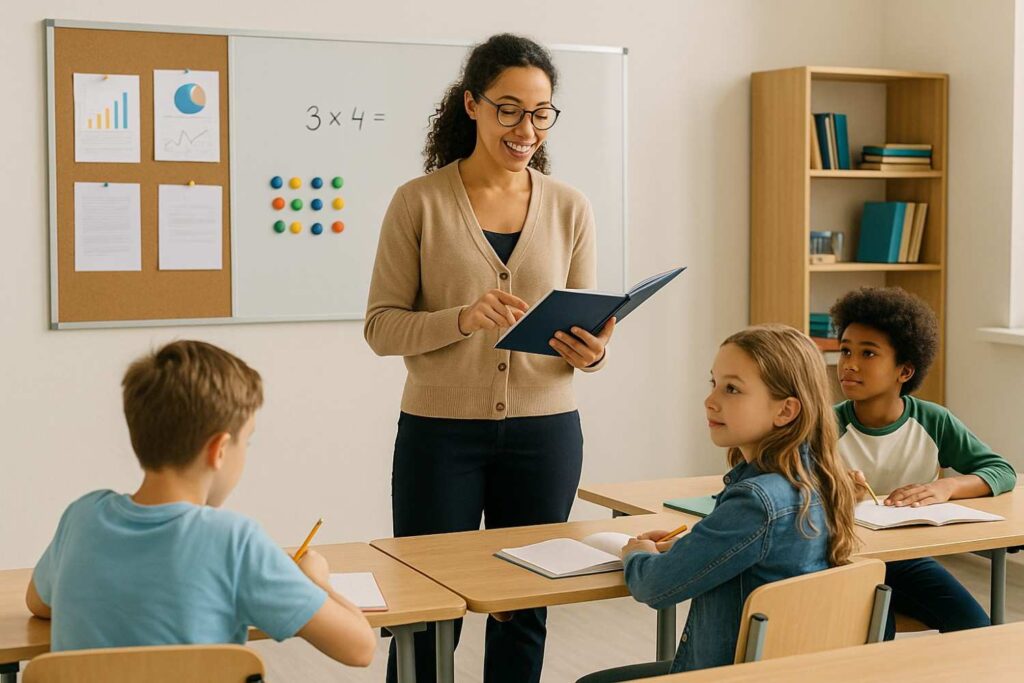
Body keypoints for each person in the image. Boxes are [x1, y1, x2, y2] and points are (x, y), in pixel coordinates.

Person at [364, 33, 613, 683]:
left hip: (546, 432)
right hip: (439, 436)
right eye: (509, 108)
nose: (525, 128)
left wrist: (594, 351)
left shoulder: (570, 206)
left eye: (539, 112)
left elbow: (590, 323)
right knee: (427, 611)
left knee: (525, 606)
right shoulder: (417, 202)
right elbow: (381, 328)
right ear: (472, 104)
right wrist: (462, 318)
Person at [26, 340, 377, 667]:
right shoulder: (235, 542)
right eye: (247, 443)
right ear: (219, 450)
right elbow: (361, 648)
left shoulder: (83, 517)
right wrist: (316, 581)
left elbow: (38, 603)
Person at [579, 324, 858, 680]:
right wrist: (690, 547)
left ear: (786, 411)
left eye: (732, 389)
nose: (711, 401)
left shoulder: (756, 501)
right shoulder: (823, 482)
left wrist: (637, 550)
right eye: (713, 384)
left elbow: (655, 587)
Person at [830, 286, 1016, 638]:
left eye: (868, 353)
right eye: (845, 350)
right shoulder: (825, 426)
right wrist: (834, 488)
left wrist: (945, 486)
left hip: (907, 559)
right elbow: (790, 487)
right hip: (843, 559)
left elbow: (1000, 471)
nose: (849, 364)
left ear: (904, 371)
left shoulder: (934, 421)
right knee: (871, 633)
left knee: (976, 628)